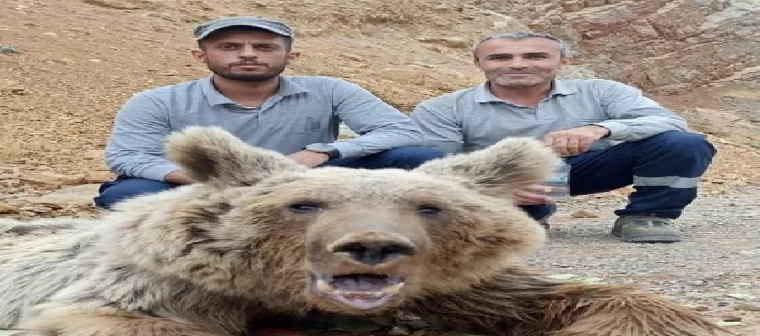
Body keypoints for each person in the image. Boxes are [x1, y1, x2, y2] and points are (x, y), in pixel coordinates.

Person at [94, 16, 444, 209]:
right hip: (207, 184)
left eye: (263, 47)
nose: (247, 54)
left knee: (416, 156)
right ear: (201, 56)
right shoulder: (156, 100)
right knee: (123, 195)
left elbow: (402, 131)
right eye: (229, 46)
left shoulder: (331, 88)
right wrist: (192, 177)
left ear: (290, 57)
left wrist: (321, 152)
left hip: (305, 177)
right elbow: (126, 155)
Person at [410, 32, 716, 243]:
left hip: (589, 167)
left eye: (536, 56)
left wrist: (600, 129)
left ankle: (649, 216)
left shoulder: (603, 90)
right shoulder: (443, 107)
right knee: (499, 219)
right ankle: (526, 214)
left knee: (683, 143)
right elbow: (435, 163)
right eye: (500, 57)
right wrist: (486, 189)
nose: (517, 64)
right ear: (479, 63)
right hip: (505, 181)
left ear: (563, 61)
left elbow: (668, 120)